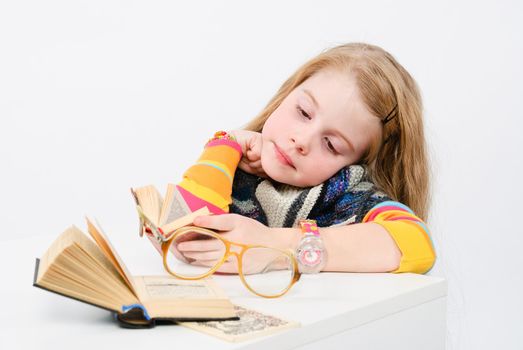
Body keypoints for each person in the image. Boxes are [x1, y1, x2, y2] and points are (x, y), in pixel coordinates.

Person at [166, 42, 435, 275]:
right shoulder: (234, 166)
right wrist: (226, 146)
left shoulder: (346, 195)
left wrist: (274, 245)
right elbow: (184, 230)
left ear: (356, 162)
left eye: (331, 144)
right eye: (304, 112)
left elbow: (417, 242)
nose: (302, 140)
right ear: (286, 95)